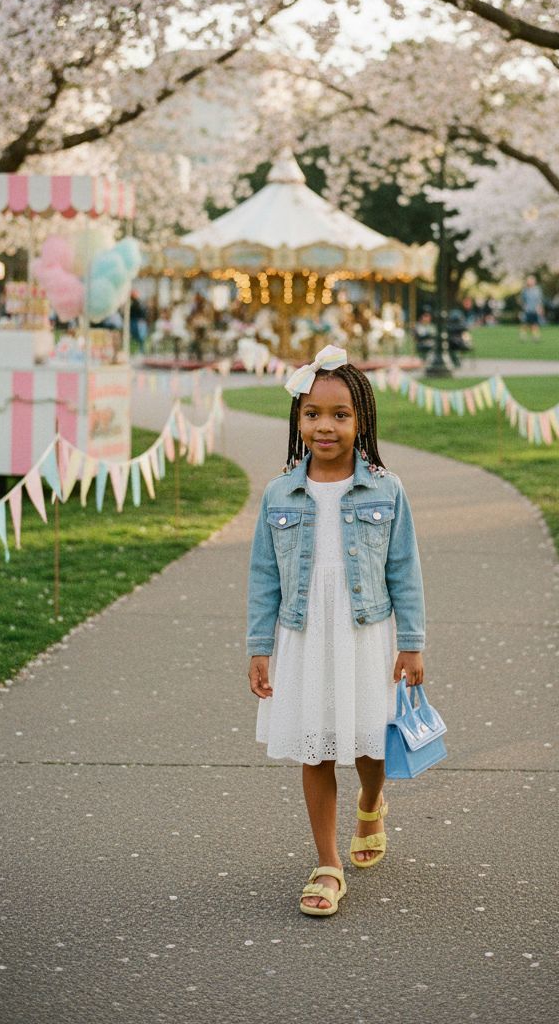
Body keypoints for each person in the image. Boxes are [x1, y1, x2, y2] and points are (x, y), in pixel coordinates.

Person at [247, 344, 426, 918]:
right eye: (313, 414)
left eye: (341, 414)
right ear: (298, 420)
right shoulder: (279, 493)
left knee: (370, 738)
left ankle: (372, 802)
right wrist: (259, 646)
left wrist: (412, 641)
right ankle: (327, 863)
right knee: (314, 740)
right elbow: (263, 576)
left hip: (363, 632)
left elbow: (404, 568)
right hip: (302, 635)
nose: (326, 426)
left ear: (362, 421)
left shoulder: (385, 488)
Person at [519, 274, 545, 340]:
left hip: (535, 310)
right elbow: (522, 300)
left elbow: (540, 300)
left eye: (531, 280)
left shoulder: (537, 290)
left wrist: (540, 308)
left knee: (534, 324)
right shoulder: (525, 290)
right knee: (525, 323)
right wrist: (523, 306)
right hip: (527, 309)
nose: (530, 282)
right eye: (529, 280)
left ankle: (535, 336)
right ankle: (523, 336)